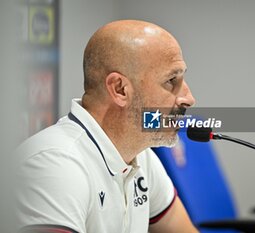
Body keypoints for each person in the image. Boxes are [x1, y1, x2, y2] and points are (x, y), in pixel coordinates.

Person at [15, 20, 198, 233]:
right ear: (119, 89)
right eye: (171, 80)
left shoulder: (141, 156)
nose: (188, 98)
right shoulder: (52, 164)